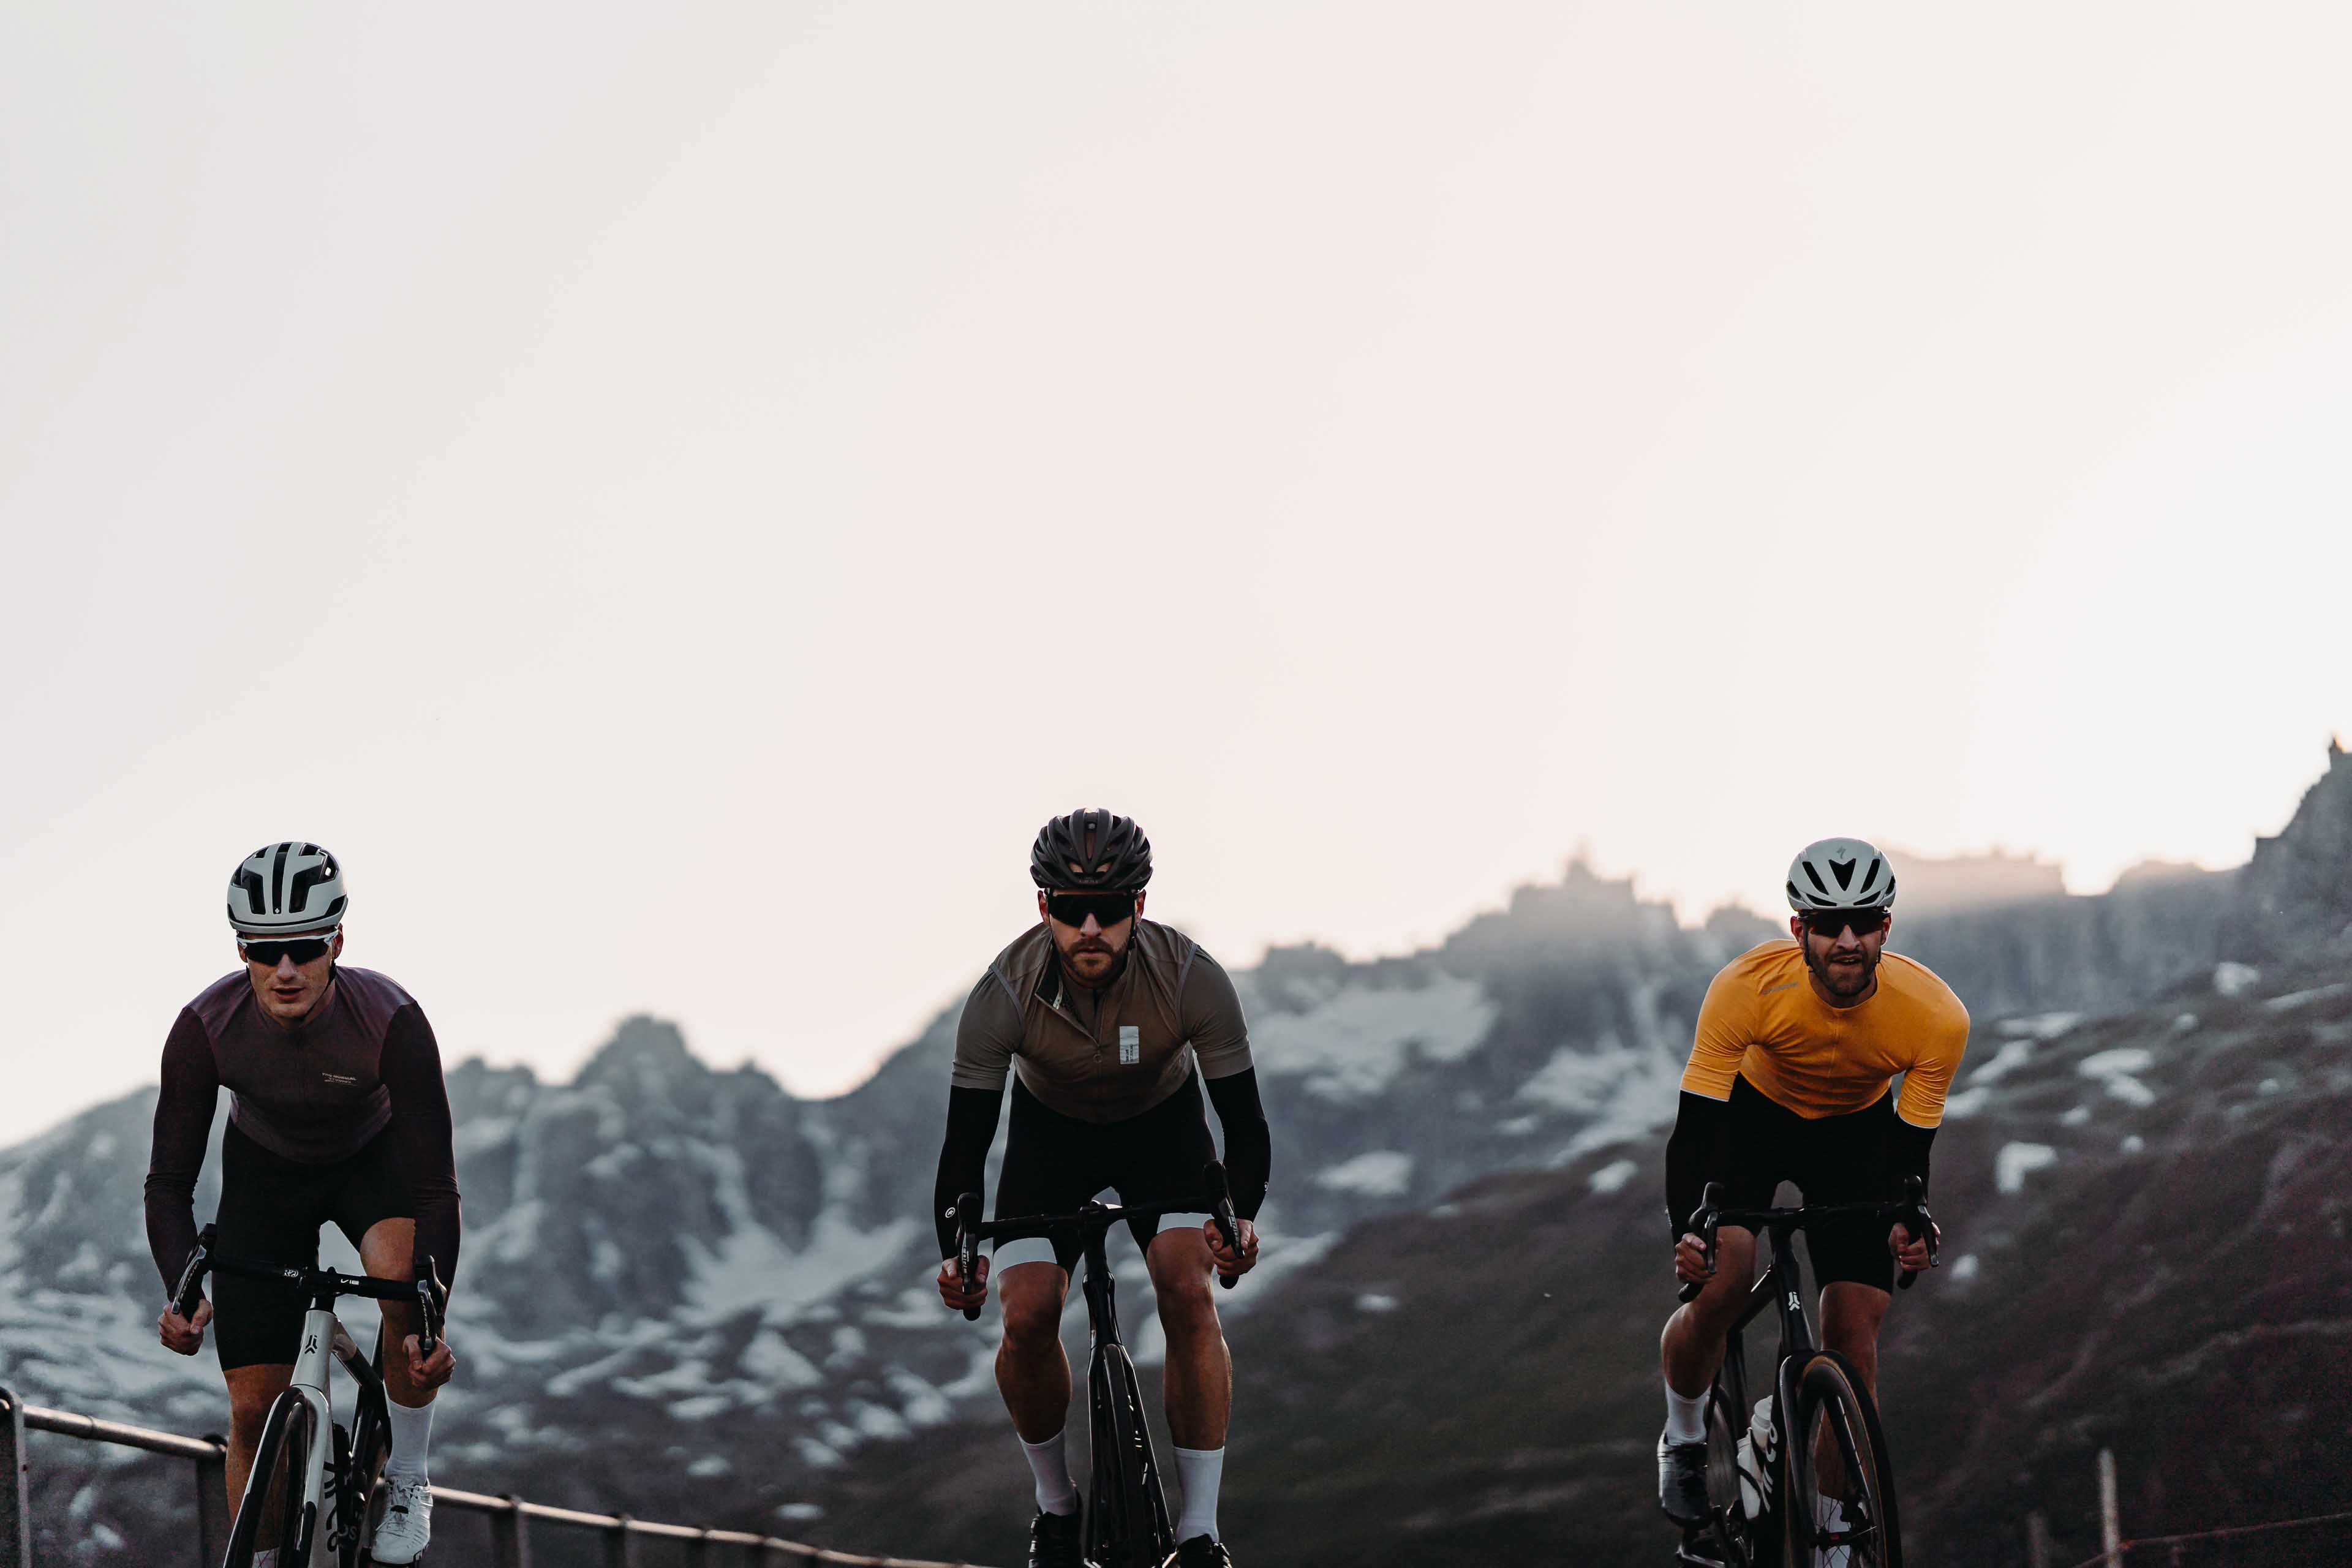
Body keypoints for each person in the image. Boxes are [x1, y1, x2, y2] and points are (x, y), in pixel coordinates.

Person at [934, 810, 1272, 1568]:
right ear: (1042, 907)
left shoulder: (1192, 978)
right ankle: (1057, 1510)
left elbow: (1245, 1128)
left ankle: (1201, 1534)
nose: (1092, 926)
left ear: (1141, 907)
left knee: (1189, 1290)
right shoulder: (1003, 994)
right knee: (1027, 1316)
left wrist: (1238, 1221)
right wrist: (958, 1257)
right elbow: (964, 1148)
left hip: (1164, 1129)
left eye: (1112, 908)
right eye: (1070, 908)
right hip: (1048, 1139)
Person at [146, 842, 461, 1566]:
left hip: (371, 1164)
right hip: (266, 1174)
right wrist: (182, 1290)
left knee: (397, 1276)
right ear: (243, 950)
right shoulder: (204, 1027)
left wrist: (427, 1313)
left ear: (337, 943)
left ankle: (408, 1478)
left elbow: (436, 1185)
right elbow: (168, 1184)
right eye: (264, 950)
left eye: (305, 947)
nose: (285, 969)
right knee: (253, 1409)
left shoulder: (392, 1019)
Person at [1656, 837, 1967, 1555]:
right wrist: (1691, 1230)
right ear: (1799, 929)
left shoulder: (1935, 1017)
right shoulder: (1743, 988)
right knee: (1722, 1282)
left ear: (1887, 927)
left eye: (1865, 921)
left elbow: (1909, 1151)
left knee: (1855, 1337)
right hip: (1750, 1121)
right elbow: (1696, 1127)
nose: (1848, 939)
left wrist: (1908, 1216)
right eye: (1829, 923)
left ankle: (1831, 1538)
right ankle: (1685, 1428)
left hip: (1854, 1136)